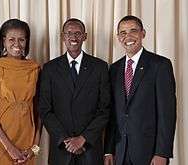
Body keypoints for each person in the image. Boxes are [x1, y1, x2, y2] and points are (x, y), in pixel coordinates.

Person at [104, 15, 176, 165]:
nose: (128, 36)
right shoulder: (114, 69)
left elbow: (167, 114)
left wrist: (162, 153)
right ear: (118, 37)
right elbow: (112, 114)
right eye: (123, 33)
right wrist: (109, 150)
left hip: (149, 153)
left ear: (143, 33)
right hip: (120, 151)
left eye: (133, 31)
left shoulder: (160, 65)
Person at [38, 18, 110, 165]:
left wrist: (83, 139)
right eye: (69, 33)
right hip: (61, 150)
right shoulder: (50, 69)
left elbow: (105, 109)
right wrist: (67, 141)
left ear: (85, 36)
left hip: (90, 149)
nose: (73, 37)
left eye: (78, 33)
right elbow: (45, 110)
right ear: (63, 36)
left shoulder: (100, 67)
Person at [0, 19, 41, 165]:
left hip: (26, 144)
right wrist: (10, 148)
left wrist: (35, 148)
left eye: (22, 39)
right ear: (4, 41)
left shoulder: (35, 68)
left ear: (27, 41)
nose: (17, 44)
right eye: (12, 39)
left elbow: (39, 112)